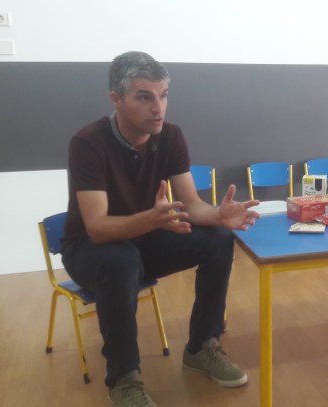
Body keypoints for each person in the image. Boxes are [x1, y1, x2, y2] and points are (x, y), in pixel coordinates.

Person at [61, 51, 260, 407]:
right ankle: (124, 379)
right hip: (90, 249)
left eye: (163, 95)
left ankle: (202, 347)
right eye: (144, 97)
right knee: (120, 261)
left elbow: (191, 204)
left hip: (145, 237)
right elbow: (98, 228)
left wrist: (219, 215)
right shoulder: (88, 143)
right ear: (116, 99)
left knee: (218, 239)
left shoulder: (170, 136)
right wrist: (150, 220)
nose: (158, 108)